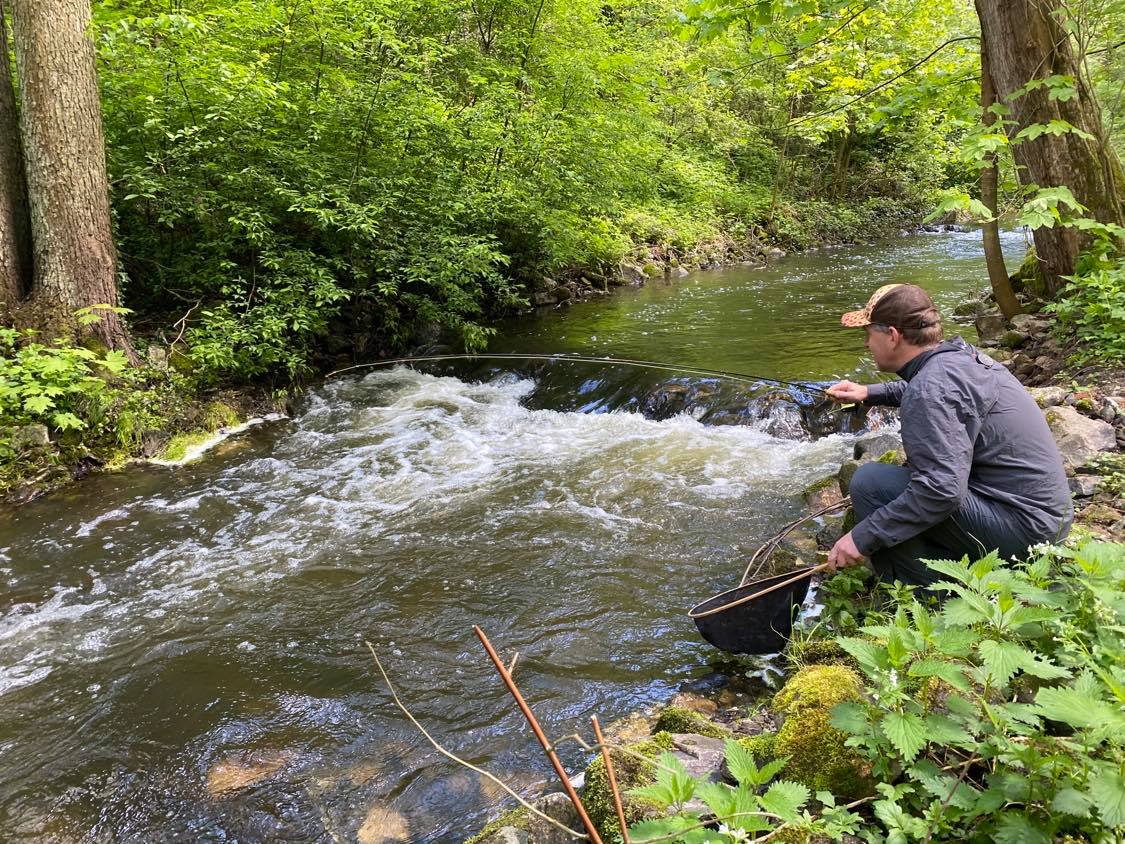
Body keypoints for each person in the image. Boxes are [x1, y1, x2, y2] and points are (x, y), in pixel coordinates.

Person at [824, 283, 1072, 589]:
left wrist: (860, 539)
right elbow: (927, 389)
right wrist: (868, 393)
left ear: (892, 335)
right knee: (902, 485)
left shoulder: (929, 390)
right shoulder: (959, 358)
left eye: (868, 334)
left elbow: (941, 492)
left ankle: (926, 595)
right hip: (1047, 523)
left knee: (871, 484)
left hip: (1024, 536)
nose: (865, 344)